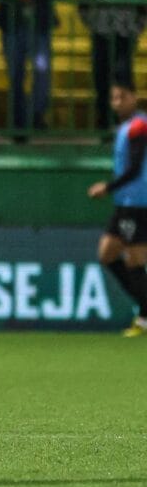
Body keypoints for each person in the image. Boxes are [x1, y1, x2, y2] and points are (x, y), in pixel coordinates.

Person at [87, 80, 147, 338]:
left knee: (134, 261)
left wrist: (107, 187)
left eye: (122, 97)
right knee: (107, 254)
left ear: (134, 97)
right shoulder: (126, 127)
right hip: (125, 203)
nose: (117, 103)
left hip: (137, 203)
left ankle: (145, 316)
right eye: (113, 98)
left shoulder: (138, 126)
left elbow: (134, 168)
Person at [0, 0, 66, 134]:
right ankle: (19, 122)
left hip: (40, 23)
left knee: (42, 69)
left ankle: (37, 116)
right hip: (11, 21)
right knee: (15, 74)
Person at [79, 0, 146, 131]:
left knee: (123, 78)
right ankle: (104, 122)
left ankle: (126, 125)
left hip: (125, 35)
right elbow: (83, 5)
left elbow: (142, 9)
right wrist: (94, 25)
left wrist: (136, 29)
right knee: (101, 78)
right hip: (101, 34)